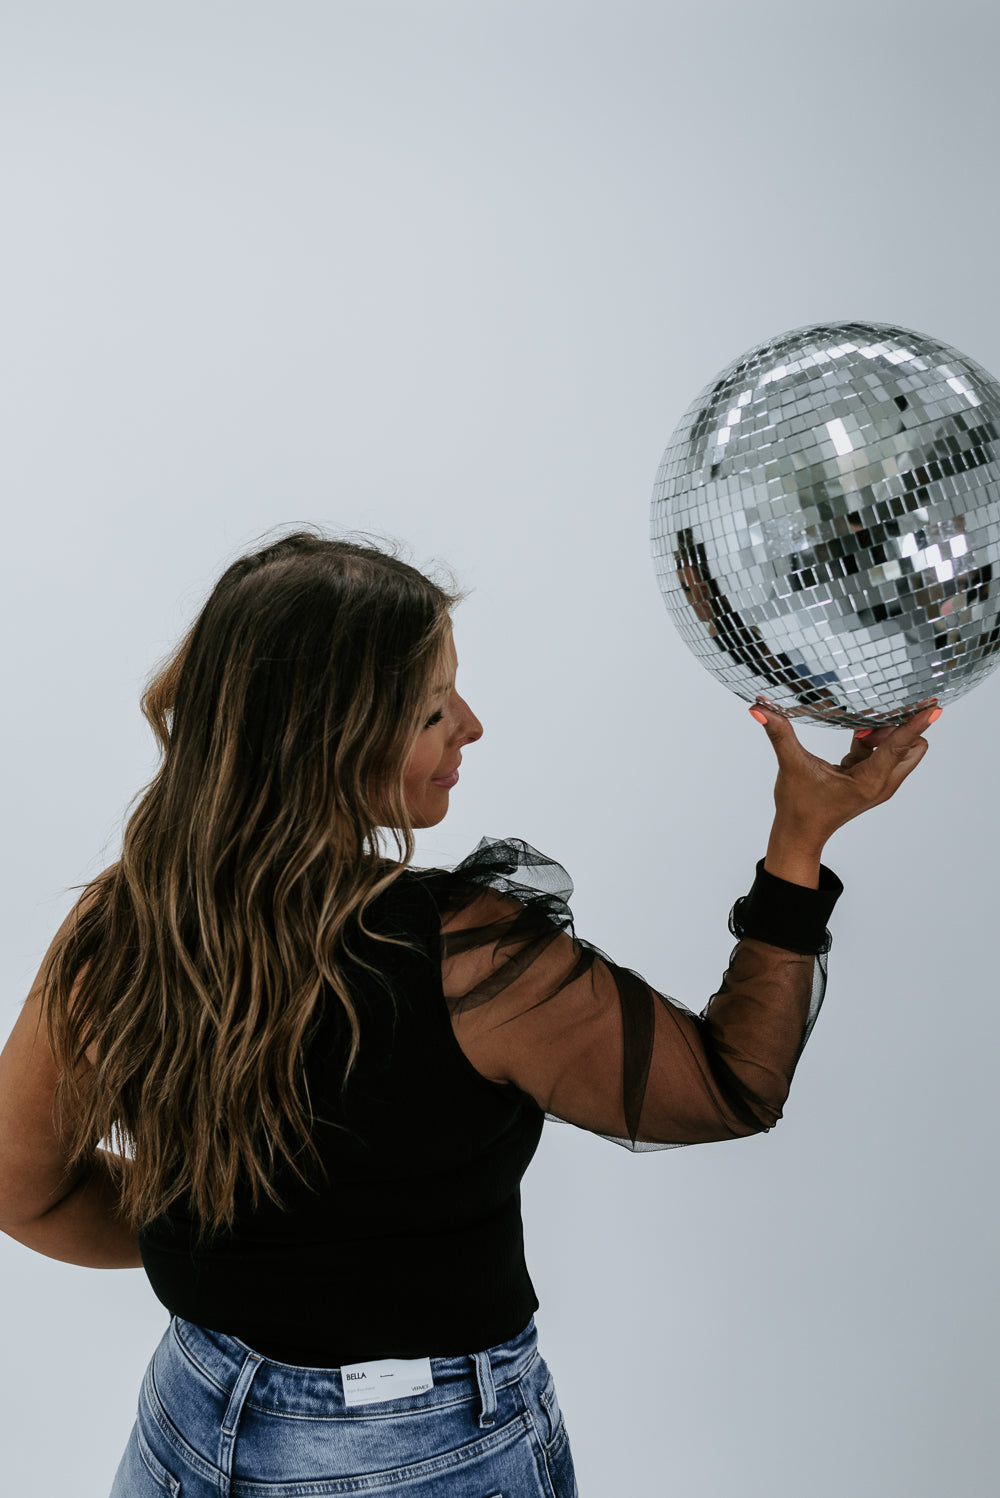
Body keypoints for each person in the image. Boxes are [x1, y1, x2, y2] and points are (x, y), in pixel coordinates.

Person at [0, 528, 941, 1498]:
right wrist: (799, 841)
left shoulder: (122, 918)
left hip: (190, 1419)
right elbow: (732, 1085)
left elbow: (21, 1188)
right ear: (331, 742)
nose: (472, 726)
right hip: (414, 1452)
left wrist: (228, 1247)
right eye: (433, 709)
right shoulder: (468, 957)